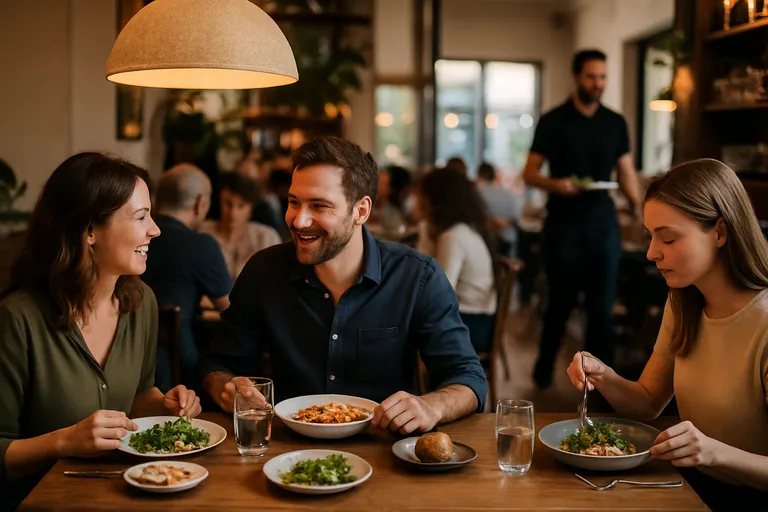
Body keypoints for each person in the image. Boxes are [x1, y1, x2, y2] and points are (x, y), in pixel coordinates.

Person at [202, 137, 487, 434]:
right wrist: (227, 386)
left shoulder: (417, 277)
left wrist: (432, 405)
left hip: (385, 452)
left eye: (319, 206)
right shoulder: (264, 270)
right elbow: (217, 365)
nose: (299, 220)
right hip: (286, 451)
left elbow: (469, 379)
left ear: (361, 211)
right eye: (293, 202)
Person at [0, 153, 201, 511]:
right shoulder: (17, 319)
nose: (155, 229)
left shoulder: (142, 303)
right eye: (141, 217)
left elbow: (138, 395)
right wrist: (64, 441)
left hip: (124, 495)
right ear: (90, 231)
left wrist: (166, 403)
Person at [566, 159, 768, 511]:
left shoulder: (763, 324)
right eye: (651, 236)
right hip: (688, 488)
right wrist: (604, 375)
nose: (651, 252)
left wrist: (713, 452)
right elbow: (646, 402)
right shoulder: (684, 302)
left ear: (720, 232)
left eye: (668, 237)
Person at [523, 49, 642, 388]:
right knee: (560, 302)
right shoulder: (553, 120)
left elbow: (627, 172)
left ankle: (605, 384)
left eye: (603, 77)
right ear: (576, 77)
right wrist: (555, 184)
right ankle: (543, 372)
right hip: (563, 224)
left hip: (603, 224)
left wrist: (638, 208)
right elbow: (530, 173)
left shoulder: (615, 122)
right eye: (591, 77)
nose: (598, 84)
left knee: (601, 309)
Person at [141, 163, 231, 392]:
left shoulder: (137, 238)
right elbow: (230, 309)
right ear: (201, 203)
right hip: (178, 369)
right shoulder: (200, 245)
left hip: (128, 357)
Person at [417, 168, 497, 363]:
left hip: (469, 327)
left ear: (435, 200)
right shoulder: (467, 229)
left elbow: (440, 294)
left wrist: (424, 229)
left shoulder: (454, 236)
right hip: (479, 322)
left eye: (423, 196)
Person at [201, 172, 282, 280]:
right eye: (228, 204)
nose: (233, 213)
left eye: (241, 206)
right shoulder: (203, 233)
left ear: (250, 209)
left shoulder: (266, 238)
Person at [476, 162, 522, 258]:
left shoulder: (475, 193)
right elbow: (517, 218)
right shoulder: (508, 194)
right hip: (507, 241)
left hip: (484, 242)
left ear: (478, 175)